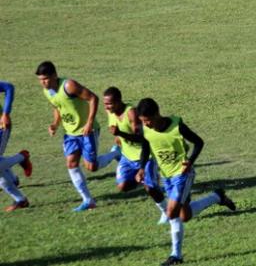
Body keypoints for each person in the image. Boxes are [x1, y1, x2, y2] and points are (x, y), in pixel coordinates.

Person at [134, 98, 236, 266]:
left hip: (183, 175)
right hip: (167, 176)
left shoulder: (176, 126)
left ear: (157, 114)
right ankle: (217, 196)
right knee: (185, 215)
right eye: (143, 121)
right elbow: (146, 148)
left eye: (148, 120)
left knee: (172, 212)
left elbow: (198, 142)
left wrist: (190, 161)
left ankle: (176, 256)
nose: (146, 124)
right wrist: (141, 167)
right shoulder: (146, 130)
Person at [36, 61, 121, 212]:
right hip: (70, 133)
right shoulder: (48, 91)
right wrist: (55, 124)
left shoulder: (69, 86)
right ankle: (88, 200)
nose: (43, 82)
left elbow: (93, 98)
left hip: (87, 131)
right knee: (71, 164)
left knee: (92, 167)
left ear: (55, 75)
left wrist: (89, 123)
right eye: (41, 80)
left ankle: (116, 153)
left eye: (46, 79)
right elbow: (57, 106)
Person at [103, 87, 168, 224]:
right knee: (123, 186)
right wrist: (119, 138)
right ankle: (150, 181)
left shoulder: (131, 113)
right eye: (105, 104)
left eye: (109, 104)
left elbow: (141, 139)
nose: (107, 107)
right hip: (127, 157)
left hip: (144, 156)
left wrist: (120, 134)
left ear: (119, 101)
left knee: (150, 188)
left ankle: (166, 211)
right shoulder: (111, 112)